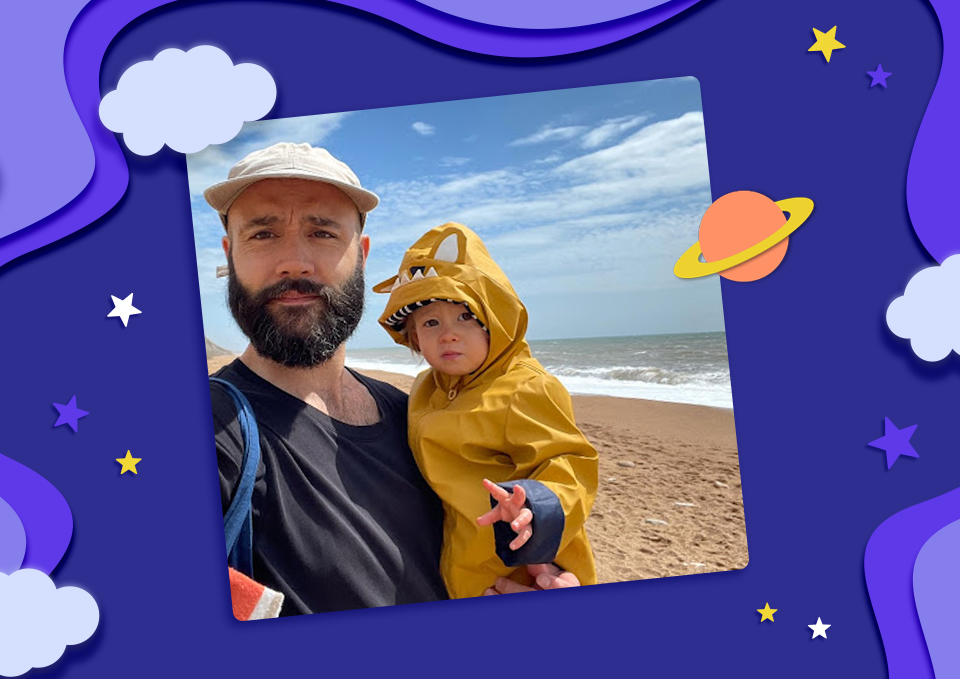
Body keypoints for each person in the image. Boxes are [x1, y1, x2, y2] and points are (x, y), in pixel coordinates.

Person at [204, 142, 578, 615]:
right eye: (263, 234)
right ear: (230, 254)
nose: (294, 261)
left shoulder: (417, 413)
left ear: (360, 255)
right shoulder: (214, 431)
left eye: (321, 232)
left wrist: (544, 577)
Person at [374, 223, 599, 599]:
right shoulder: (426, 389)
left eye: (465, 317)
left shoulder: (523, 387)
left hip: (520, 561)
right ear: (413, 337)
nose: (449, 333)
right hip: (456, 555)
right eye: (431, 322)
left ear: (496, 321)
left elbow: (568, 460)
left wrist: (537, 505)